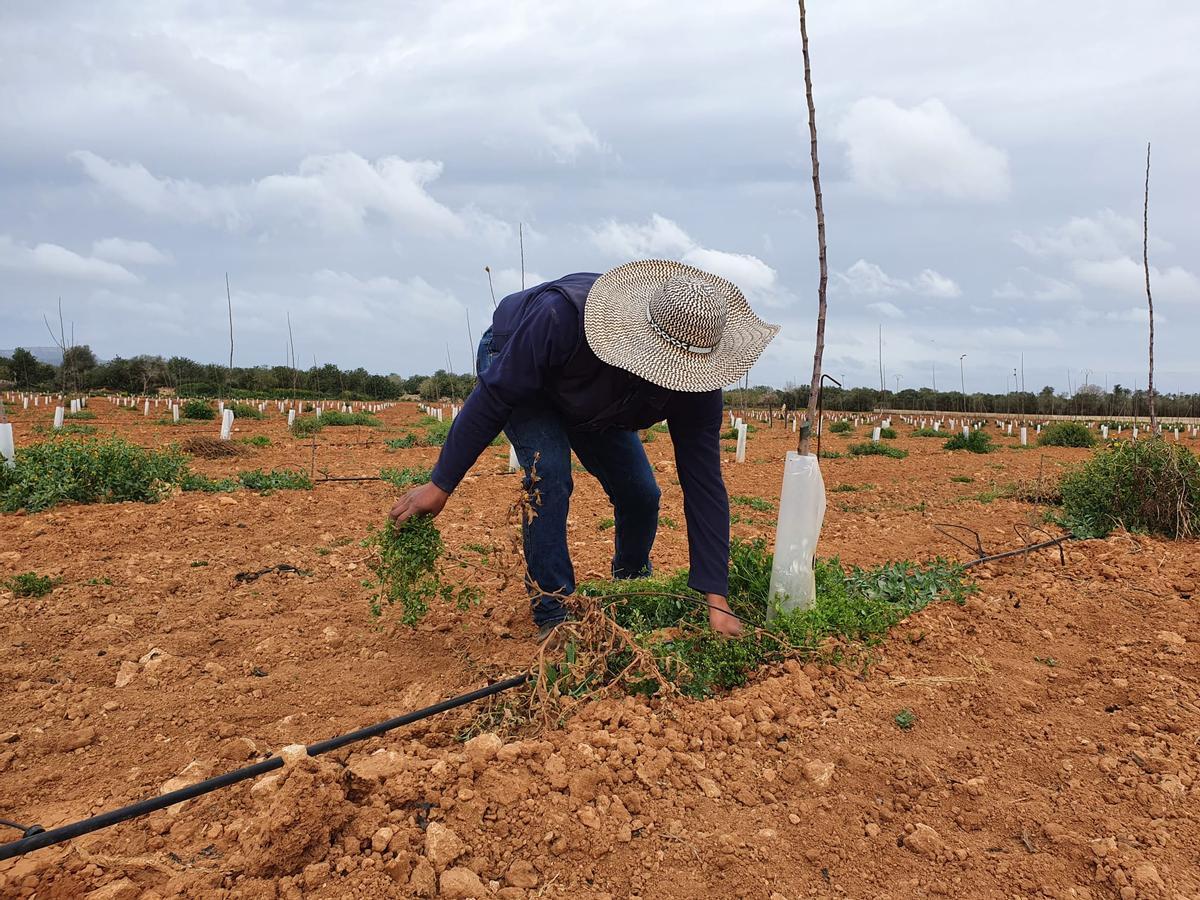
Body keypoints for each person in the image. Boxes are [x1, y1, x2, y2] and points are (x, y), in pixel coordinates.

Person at [389, 260, 779, 643]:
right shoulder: (560, 317)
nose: (673, 379)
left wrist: (717, 597)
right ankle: (554, 610)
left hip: (596, 398)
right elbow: (495, 396)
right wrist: (440, 485)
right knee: (550, 474)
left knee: (641, 494)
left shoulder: (698, 384)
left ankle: (630, 585)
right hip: (521, 362)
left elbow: (704, 483)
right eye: (665, 368)